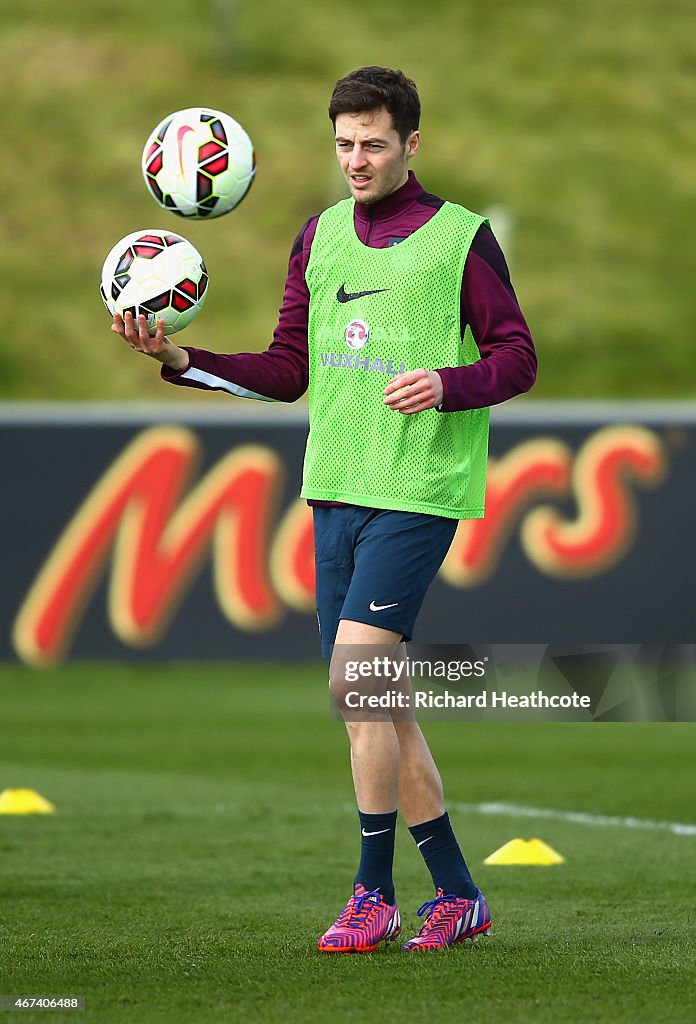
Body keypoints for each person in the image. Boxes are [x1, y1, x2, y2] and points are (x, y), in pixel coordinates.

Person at [113, 66, 537, 952]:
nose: (356, 159)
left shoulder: (461, 239)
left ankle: (372, 892)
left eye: (373, 143)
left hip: (415, 491)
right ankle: (458, 894)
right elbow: (287, 370)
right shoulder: (320, 237)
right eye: (343, 143)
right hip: (334, 486)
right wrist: (182, 359)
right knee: (372, 703)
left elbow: (517, 355)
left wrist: (450, 383)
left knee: (357, 682)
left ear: (411, 143)